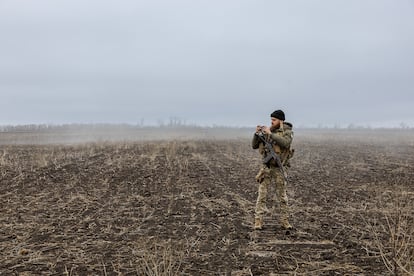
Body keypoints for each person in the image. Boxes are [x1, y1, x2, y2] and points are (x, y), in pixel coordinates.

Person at [252, 109, 294, 230]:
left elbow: (285, 143)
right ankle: (258, 221)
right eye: (271, 120)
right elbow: (254, 145)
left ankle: (285, 221)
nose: (271, 122)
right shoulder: (269, 131)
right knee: (262, 195)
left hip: (279, 169)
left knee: (282, 197)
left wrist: (270, 133)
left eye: (274, 120)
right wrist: (257, 134)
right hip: (266, 168)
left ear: (280, 121)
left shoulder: (287, 132)